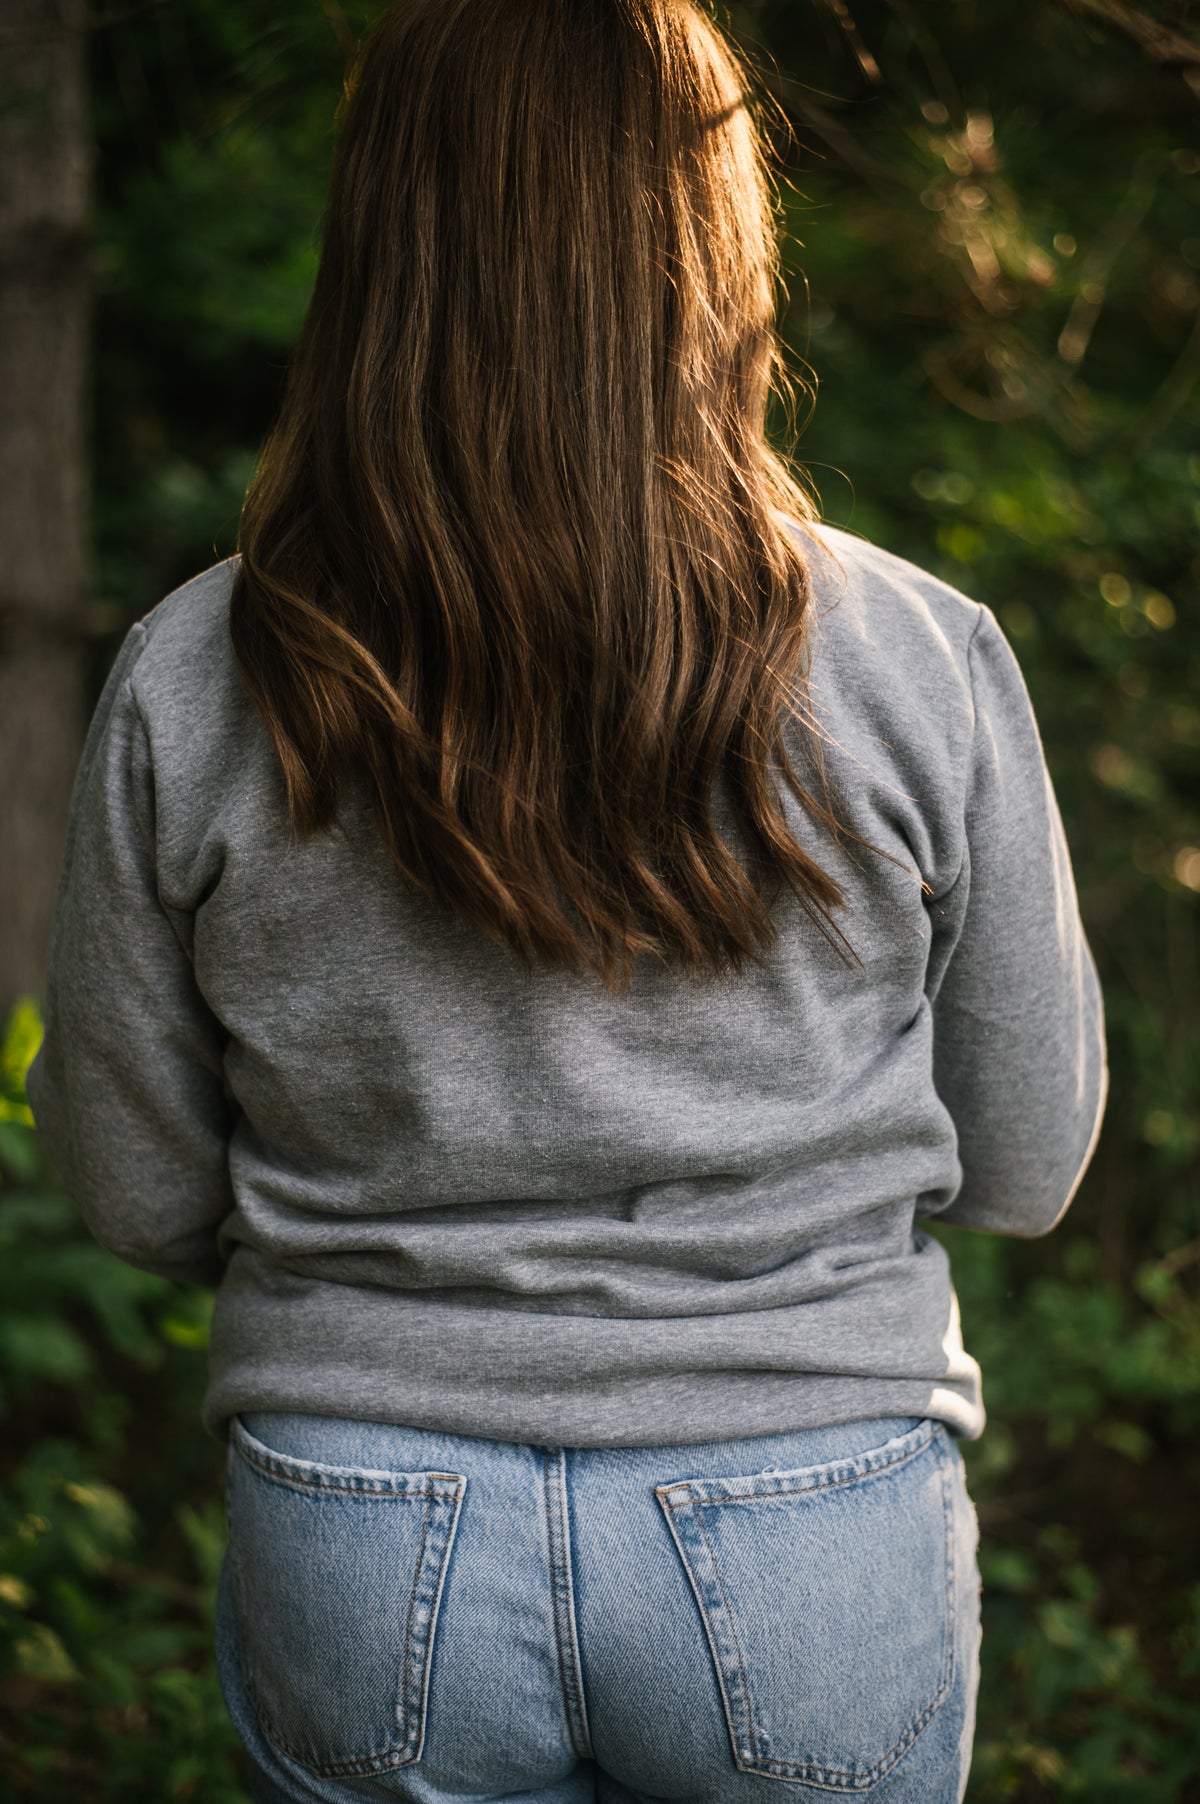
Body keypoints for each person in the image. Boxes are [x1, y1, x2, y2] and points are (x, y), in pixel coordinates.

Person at [25, 0, 1108, 1799]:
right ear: (712, 236)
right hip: (808, 1512)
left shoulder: (194, 676)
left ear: (387, 234)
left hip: (366, 1525)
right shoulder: (921, 658)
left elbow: (133, 1190)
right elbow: (1033, 1156)